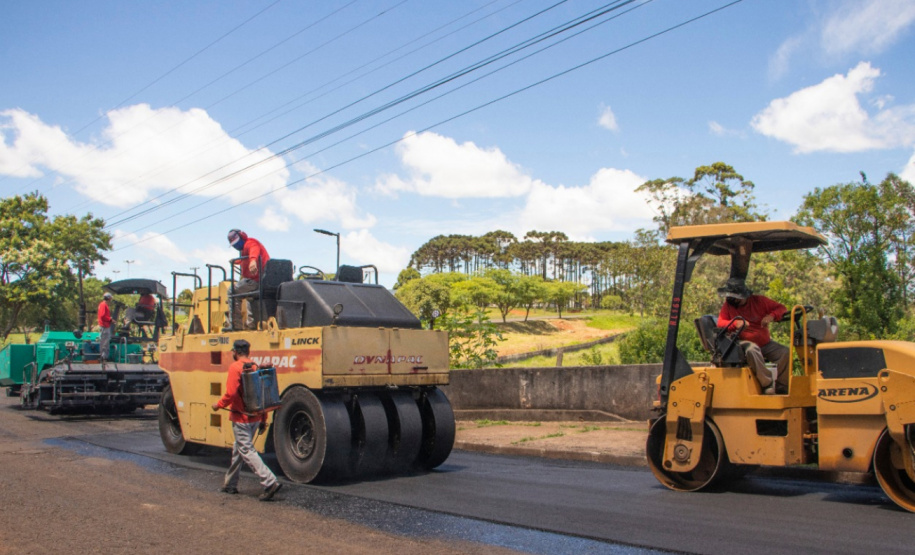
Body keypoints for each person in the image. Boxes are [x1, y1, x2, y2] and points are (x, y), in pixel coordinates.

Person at [212, 339, 282, 501]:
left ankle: (269, 481)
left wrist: (218, 405)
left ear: (235, 352)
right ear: (248, 352)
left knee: (247, 450)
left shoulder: (235, 367)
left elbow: (230, 393)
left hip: (241, 418)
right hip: (256, 417)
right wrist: (264, 418)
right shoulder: (255, 366)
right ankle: (230, 484)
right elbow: (262, 395)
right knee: (239, 450)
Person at [717, 278, 790, 395]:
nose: (730, 299)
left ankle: (782, 386)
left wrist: (771, 316)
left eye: (733, 297)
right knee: (752, 349)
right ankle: (767, 383)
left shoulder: (760, 301)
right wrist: (735, 324)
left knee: (785, 352)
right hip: (742, 343)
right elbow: (720, 323)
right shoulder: (728, 306)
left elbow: (782, 308)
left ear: (742, 296)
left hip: (765, 343)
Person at [227, 229, 270, 330]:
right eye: (234, 245)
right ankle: (252, 326)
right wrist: (237, 261)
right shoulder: (244, 250)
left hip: (256, 280)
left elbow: (254, 250)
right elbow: (246, 259)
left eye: (236, 243)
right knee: (249, 297)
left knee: (231, 291)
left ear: (242, 236)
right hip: (260, 281)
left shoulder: (250, 243)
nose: (236, 246)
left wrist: (253, 261)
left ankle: (235, 325)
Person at [98, 292, 113, 362]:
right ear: (109, 298)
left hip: (105, 325)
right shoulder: (103, 305)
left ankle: (104, 356)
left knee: (105, 341)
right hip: (104, 326)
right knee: (105, 342)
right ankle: (103, 357)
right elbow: (102, 316)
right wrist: (110, 319)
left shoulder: (102, 305)